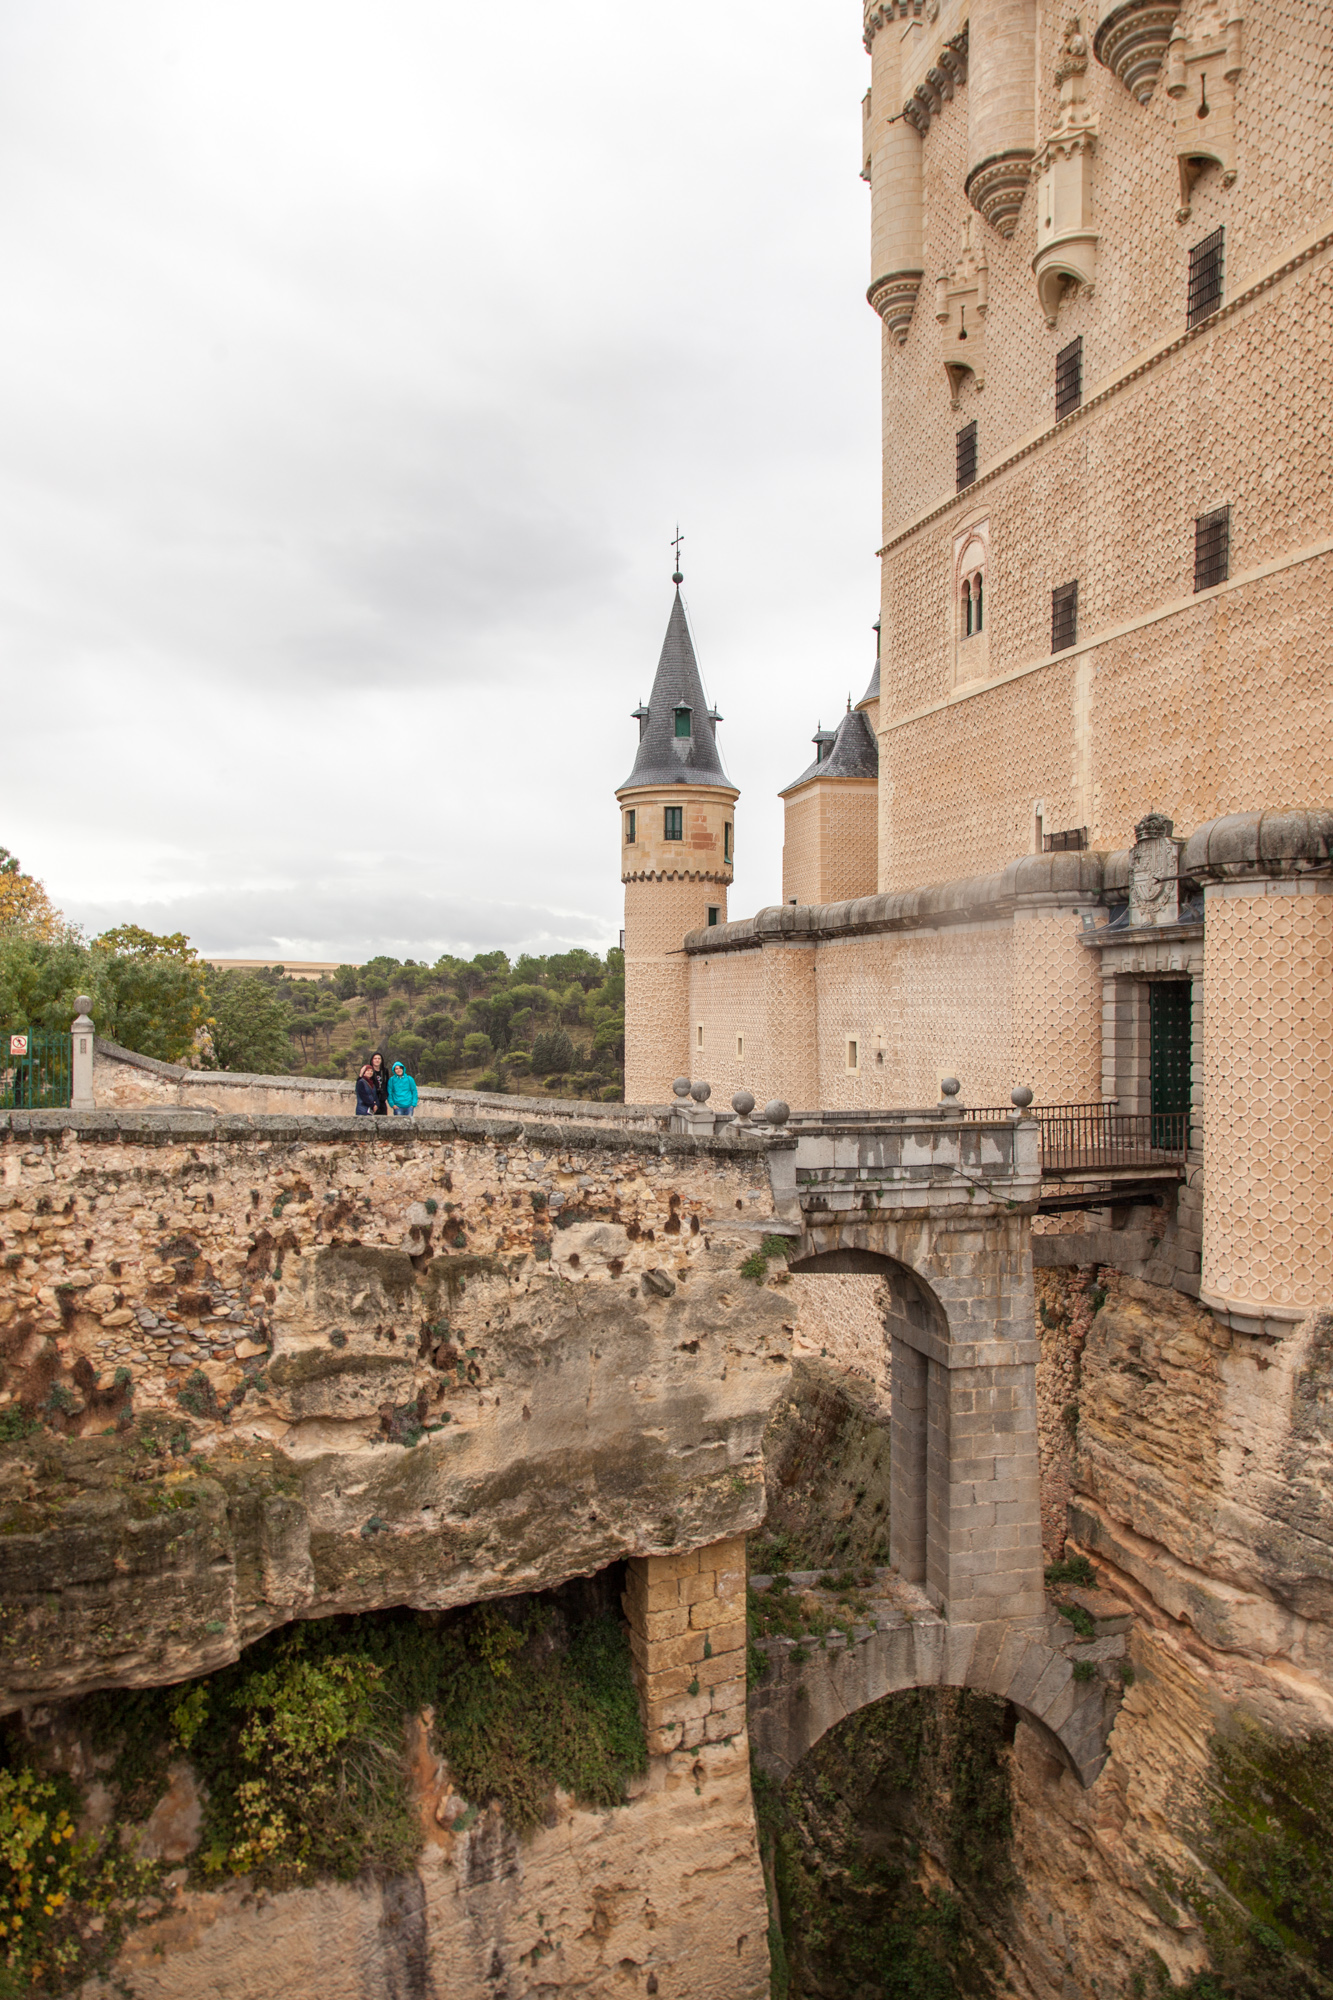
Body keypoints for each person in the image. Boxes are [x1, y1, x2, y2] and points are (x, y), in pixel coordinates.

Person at [368, 1050, 390, 1115]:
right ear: (372, 1060)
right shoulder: (369, 1071)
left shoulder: (385, 1071)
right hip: (373, 1100)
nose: (377, 1060)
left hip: (382, 1100)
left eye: (379, 1058)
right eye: (375, 1058)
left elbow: (387, 1083)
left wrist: (385, 1095)